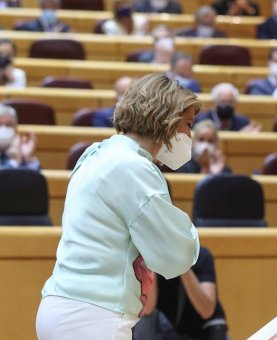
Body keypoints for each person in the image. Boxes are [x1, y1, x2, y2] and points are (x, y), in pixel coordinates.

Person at [35, 74, 201, 339]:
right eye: (188, 124)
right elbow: (176, 255)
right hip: (94, 315)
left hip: (62, 306)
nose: (189, 135)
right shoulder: (133, 167)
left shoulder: (96, 152)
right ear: (168, 118)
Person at [133, 246, 229, 340]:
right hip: (165, 328)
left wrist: (182, 264)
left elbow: (207, 311)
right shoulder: (144, 258)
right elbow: (148, 309)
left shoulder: (201, 255)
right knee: (143, 319)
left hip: (200, 328)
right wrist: (151, 262)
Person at [194, 83, 261, 132]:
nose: (226, 105)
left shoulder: (243, 123)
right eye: (223, 102)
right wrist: (239, 135)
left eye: (230, 102)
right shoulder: (201, 121)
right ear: (214, 104)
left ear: (235, 104)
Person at [0, 104, 39, 171]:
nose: (4, 129)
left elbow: (37, 180)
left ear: (15, 129)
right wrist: (14, 162)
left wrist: (28, 160)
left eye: (9, 125)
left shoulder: (21, 152)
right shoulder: (15, 160)